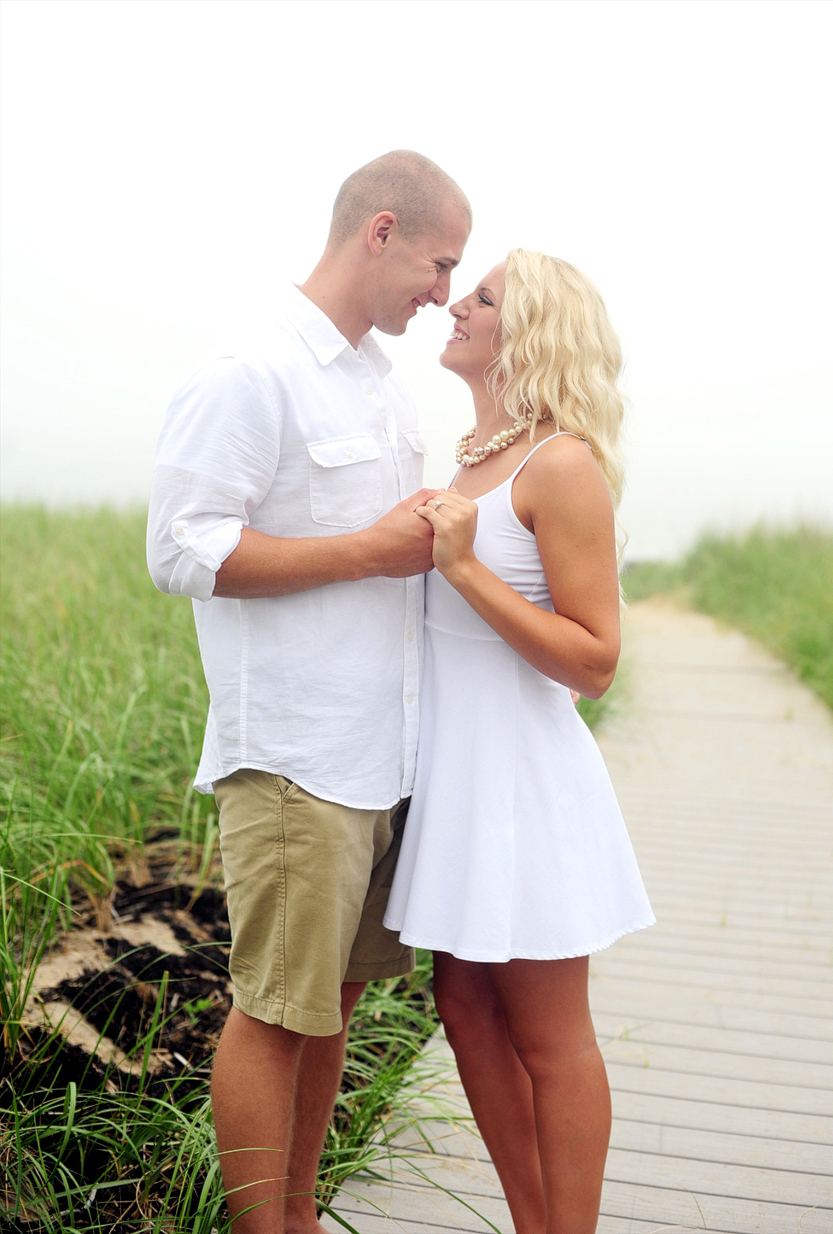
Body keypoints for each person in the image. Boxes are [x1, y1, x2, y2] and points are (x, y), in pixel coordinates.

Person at [146, 150, 470, 1234]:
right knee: (272, 1011)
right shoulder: (250, 369)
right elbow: (183, 552)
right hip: (295, 755)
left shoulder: (379, 382)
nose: (442, 291)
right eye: (439, 262)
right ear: (379, 231)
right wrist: (369, 552)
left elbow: (375, 547)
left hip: (378, 753)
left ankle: (297, 1215)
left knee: (326, 1005)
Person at [384, 249, 655, 1234]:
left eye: (484, 296)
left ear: (528, 332)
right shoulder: (469, 458)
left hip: (528, 788)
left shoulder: (563, 463)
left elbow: (593, 661)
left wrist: (461, 567)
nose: (457, 303)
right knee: (465, 1013)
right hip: (458, 786)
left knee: (549, 1035)